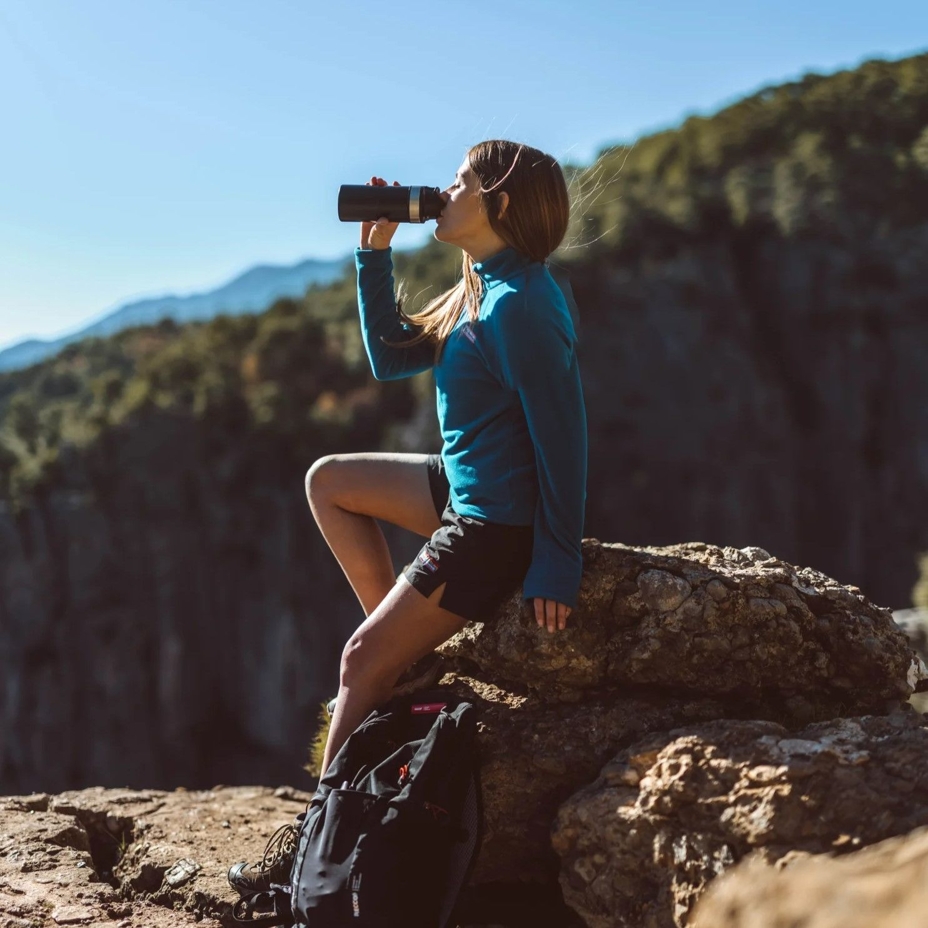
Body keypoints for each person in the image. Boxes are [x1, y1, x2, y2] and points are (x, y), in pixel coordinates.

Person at [228, 139, 588, 897]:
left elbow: (566, 440)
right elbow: (393, 357)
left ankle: (307, 861)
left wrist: (558, 560)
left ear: (502, 204)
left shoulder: (523, 306)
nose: (441, 191)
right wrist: (373, 257)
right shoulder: (482, 283)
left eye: (460, 182)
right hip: (462, 487)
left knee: (358, 663)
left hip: (494, 526)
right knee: (329, 482)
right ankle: (406, 658)